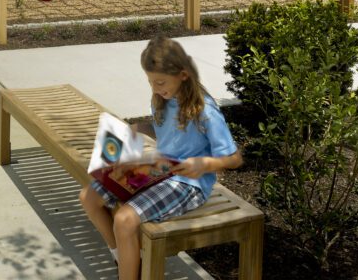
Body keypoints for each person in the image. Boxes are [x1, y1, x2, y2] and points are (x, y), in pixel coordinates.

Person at [79, 35, 243, 280]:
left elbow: (233, 158)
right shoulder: (161, 100)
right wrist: (130, 132)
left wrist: (206, 163)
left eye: (160, 82)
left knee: (125, 220)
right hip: (159, 169)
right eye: (150, 82)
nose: (155, 88)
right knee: (89, 197)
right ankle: (121, 256)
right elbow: (162, 130)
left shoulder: (205, 111)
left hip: (188, 183)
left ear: (183, 74)